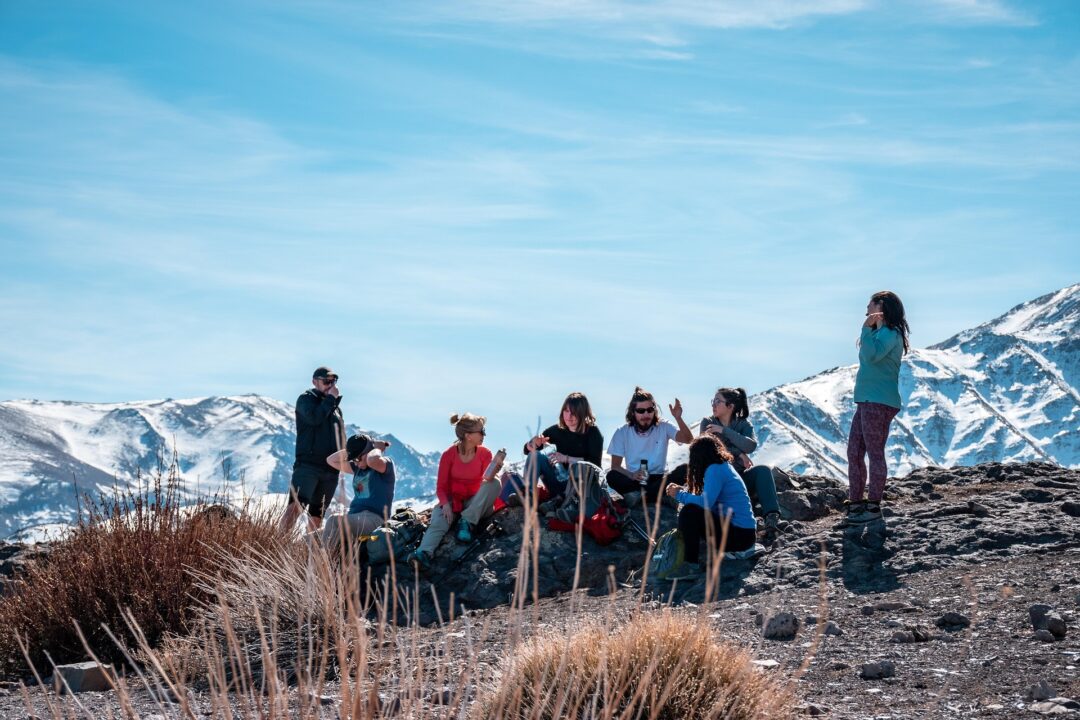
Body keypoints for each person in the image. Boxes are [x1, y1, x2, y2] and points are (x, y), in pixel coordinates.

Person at [843, 290, 910, 526]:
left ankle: (873, 505)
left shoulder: (891, 334)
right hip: (866, 400)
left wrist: (865, 328)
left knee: (874, 451)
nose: (867, 308)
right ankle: (855, 503)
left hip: (879, 401)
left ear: (881, 306)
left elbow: (871, 358)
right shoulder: (879, 333)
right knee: (854, 451)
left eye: (870, 304)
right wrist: (869, 330)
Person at [410, 413, 503, 570]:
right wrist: (445, 504)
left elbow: (487, 482)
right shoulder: (448, 455)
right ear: (468, 436)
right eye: (481, 431)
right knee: (439, 519)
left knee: (496, 483)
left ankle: (466, 522)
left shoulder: (485, 453)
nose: (483, 435)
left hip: (476, 503)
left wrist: (494, 471)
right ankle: (423, 554)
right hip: (454, 502)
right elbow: (441, 487)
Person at [664, 435, 760, 577]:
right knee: (693, 510)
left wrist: (679, 495)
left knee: (690, 512)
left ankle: (690, 565)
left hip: (739, 536)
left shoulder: (715, 469)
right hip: (745, 535)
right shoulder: (723, 466)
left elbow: (706, 503)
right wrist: (682, 492)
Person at [698, 387, 784, 542]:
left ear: (730, 406)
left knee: (763, 470)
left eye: (718, 401)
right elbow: (707, 450)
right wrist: (738, 453)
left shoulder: (743, 425)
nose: (713, 404)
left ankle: (771, 520)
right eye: (713, 401)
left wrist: (723, 431)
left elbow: (750, 446)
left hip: (739, 480)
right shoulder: (708, 423)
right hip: (717, 483)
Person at [501, 392, 604, 508]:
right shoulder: (556, 431)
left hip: (579, 488)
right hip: (557, 481)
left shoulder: (593, 433)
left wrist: (566, 458)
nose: (569, 416)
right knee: (535, 456)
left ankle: (559, 503)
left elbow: (595, 466)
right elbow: (528, 450)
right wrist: (531, 444)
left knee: (580, 469)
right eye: (566, 411)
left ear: (582, 413)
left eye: (573, 412)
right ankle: (527, 495)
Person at [281, 366, 345, 533]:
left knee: (317, 515)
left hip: (330, 471)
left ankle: (307, 554)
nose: (330, 385)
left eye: (333, 381)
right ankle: (276, 545)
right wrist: (331, 399)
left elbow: (341, 438)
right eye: (326, 381)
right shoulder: (306, 400)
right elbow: (314, 418)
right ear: (314, 382)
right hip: (308, 466)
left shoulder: (336, 410)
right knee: (296, 507)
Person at [606, 387, 693, 506]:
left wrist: (678, 418)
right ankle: (659, 496)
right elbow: (615, 466)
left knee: (686, 469)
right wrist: (631, 475)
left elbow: (688, 439)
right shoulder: (622, 432)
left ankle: (642, 497)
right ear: (633, 412)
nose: (646, 414)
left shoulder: (663, 426)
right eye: (641, 411)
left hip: (659, 479)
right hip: (635, 480)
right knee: (612, 476)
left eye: (650, 410)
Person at [322, 433, 395, 558]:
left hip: (375, 519)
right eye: (353, 459)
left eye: (357, 459)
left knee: (334, 521)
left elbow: (372, 460)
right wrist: (353, 451)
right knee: (309, 538)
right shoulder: (358, 468)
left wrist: (376, 447)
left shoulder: (385, 464)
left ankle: (322, 570)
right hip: (354, 518)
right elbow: (331, 460)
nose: (355, 463)